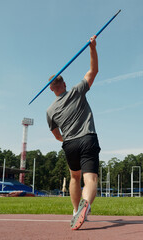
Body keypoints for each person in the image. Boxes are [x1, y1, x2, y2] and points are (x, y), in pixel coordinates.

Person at [46, 35, 100, 230]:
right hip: (87, 138)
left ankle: (76, 210)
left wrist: (66, 138)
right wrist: (92, 47)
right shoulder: (77, 91)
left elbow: (56, 135)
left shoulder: (50, 111)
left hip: (69, 144)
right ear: (64, 84)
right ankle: (86, 205)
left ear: (51, 89)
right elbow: (93, 71)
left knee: (74, 177)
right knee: (91, 178)